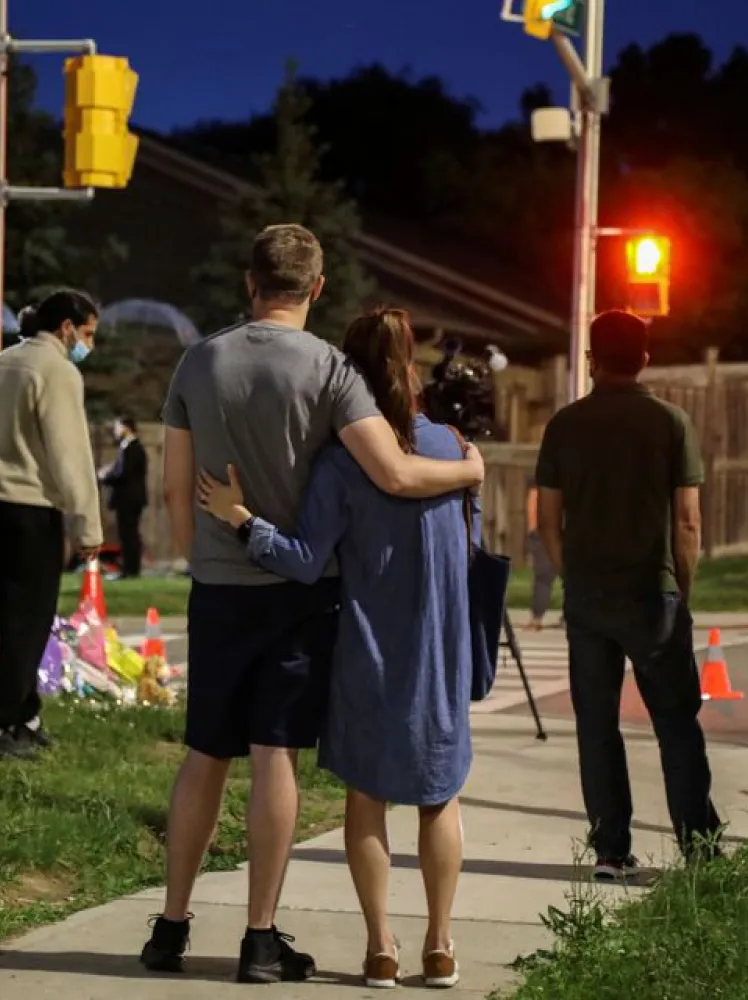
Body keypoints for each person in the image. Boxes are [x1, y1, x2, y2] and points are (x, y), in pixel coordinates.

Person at [140, 224, 485, 984]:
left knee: (204, 754)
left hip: (219, 585)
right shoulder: (332, 370)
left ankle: (171, 926)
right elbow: (393, 473)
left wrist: (198, 549)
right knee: (274, 756)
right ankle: (260, 937)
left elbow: (173, 484)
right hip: (299, 593)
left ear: (248, 280)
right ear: (318, 287)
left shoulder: (199, 361)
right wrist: (469, 472)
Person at [534, 310, 723, 880]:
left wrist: (572, 575)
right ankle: (699, 847)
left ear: (591, 358)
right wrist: (680, 590)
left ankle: (611, 850)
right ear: (643, 357)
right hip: (651, 594)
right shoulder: (670, 423)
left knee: (597, 725)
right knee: (677, 724)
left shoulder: (565, 425)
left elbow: (547, 520)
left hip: (590, 598)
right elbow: (687, 522)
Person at [0, 289, 104, 760]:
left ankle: (26, 714)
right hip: (30, 505)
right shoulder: (57, 371)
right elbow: (71, 455)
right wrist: (87, 528)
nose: (89, 345)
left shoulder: (4, 362)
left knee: (10, 614)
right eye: (86, 334)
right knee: (32, 621)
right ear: (65, 327)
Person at [101, 414, 149, 579]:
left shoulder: (134, 448)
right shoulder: (125, 447)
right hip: (127, 500)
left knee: (129, 534)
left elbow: (125, 474)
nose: (115, 431)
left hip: (130, 499)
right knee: (126, 534)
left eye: (118, 427)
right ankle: (128, 568)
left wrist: (105, 477)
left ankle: (130, 569)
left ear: (127, 428)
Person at [524, 480, 555, 630]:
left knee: (543, 576)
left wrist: (533, 531)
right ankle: (537, 616)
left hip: (543, 530)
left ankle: (537, 617)